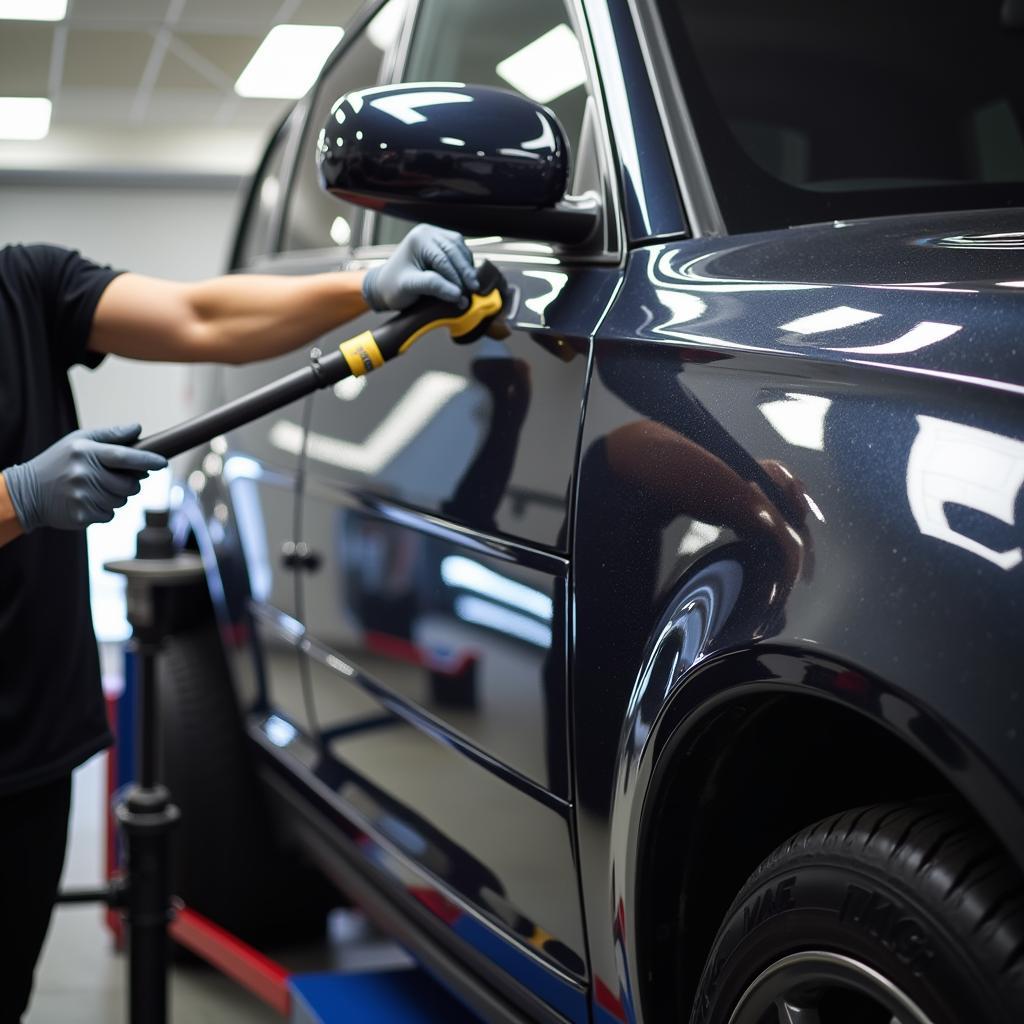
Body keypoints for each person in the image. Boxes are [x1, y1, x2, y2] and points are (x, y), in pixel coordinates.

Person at [0, 223, 478, 1022]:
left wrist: (365, 286)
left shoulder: (25, 284)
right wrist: (17, 497)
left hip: (30, 746)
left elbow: (201, 317)